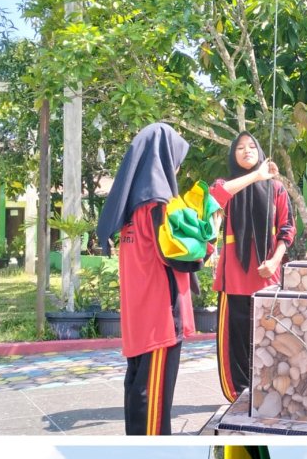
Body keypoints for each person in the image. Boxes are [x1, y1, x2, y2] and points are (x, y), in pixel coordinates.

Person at [96, 122, 215, 435]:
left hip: (138, 317)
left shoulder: (129, 207)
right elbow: (178, 255)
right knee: (153, 399)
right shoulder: (158, 205)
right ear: (162, 157)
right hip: (161, 317)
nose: (176, 165)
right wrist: (207, 239)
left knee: (137, 387)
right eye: (176, 158)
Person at [210, 132, 296, 402]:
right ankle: (238, 396)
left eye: (251, 146)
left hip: (267, 277)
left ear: (259, 151)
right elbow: (216, 197)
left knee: (269, 341)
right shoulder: (226, 185)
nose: (246, 151)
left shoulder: (277, 189)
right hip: (233, 279)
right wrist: (256, 176)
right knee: (235, 344)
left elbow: (287, 229)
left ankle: (268, 395)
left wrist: (274, 261)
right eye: (239, 147)